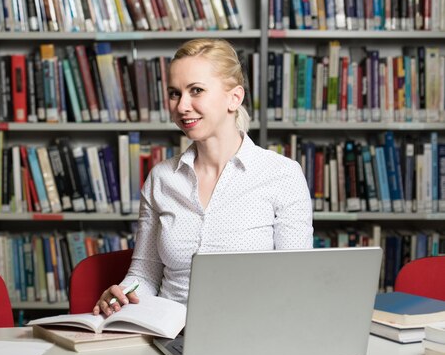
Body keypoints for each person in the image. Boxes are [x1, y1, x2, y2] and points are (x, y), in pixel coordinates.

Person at [93, 38, 313, 316]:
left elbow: (295, 280)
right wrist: (121, 296)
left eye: (196, 90)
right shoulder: (161, 178)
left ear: (235, 97)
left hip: (250, 332)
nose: (182, 106)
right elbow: (145, 274)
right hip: (168, 333)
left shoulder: (282, 175)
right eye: (174, 93)